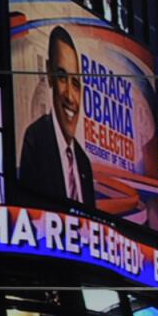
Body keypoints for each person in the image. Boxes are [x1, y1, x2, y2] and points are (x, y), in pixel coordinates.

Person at [18, 26, 96, 207]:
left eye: (76, 84)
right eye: (62, 77)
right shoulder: (35, 139)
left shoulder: (84, 163)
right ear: (49, 74)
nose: (70, 96)